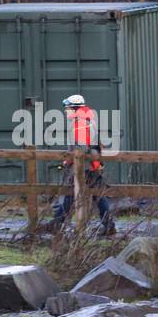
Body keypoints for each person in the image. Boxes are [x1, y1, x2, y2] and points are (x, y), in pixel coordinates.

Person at [50, 94, 115, 235]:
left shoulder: (80, 123)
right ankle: (109, 225)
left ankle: (56, 223)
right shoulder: (87, 120)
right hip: (91, 166)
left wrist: (69, 160)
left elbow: (81, 149)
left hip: (84, 167)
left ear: (75, 108)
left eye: (67, 108)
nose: (65, 111)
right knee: (97, 196)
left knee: (71, 195)